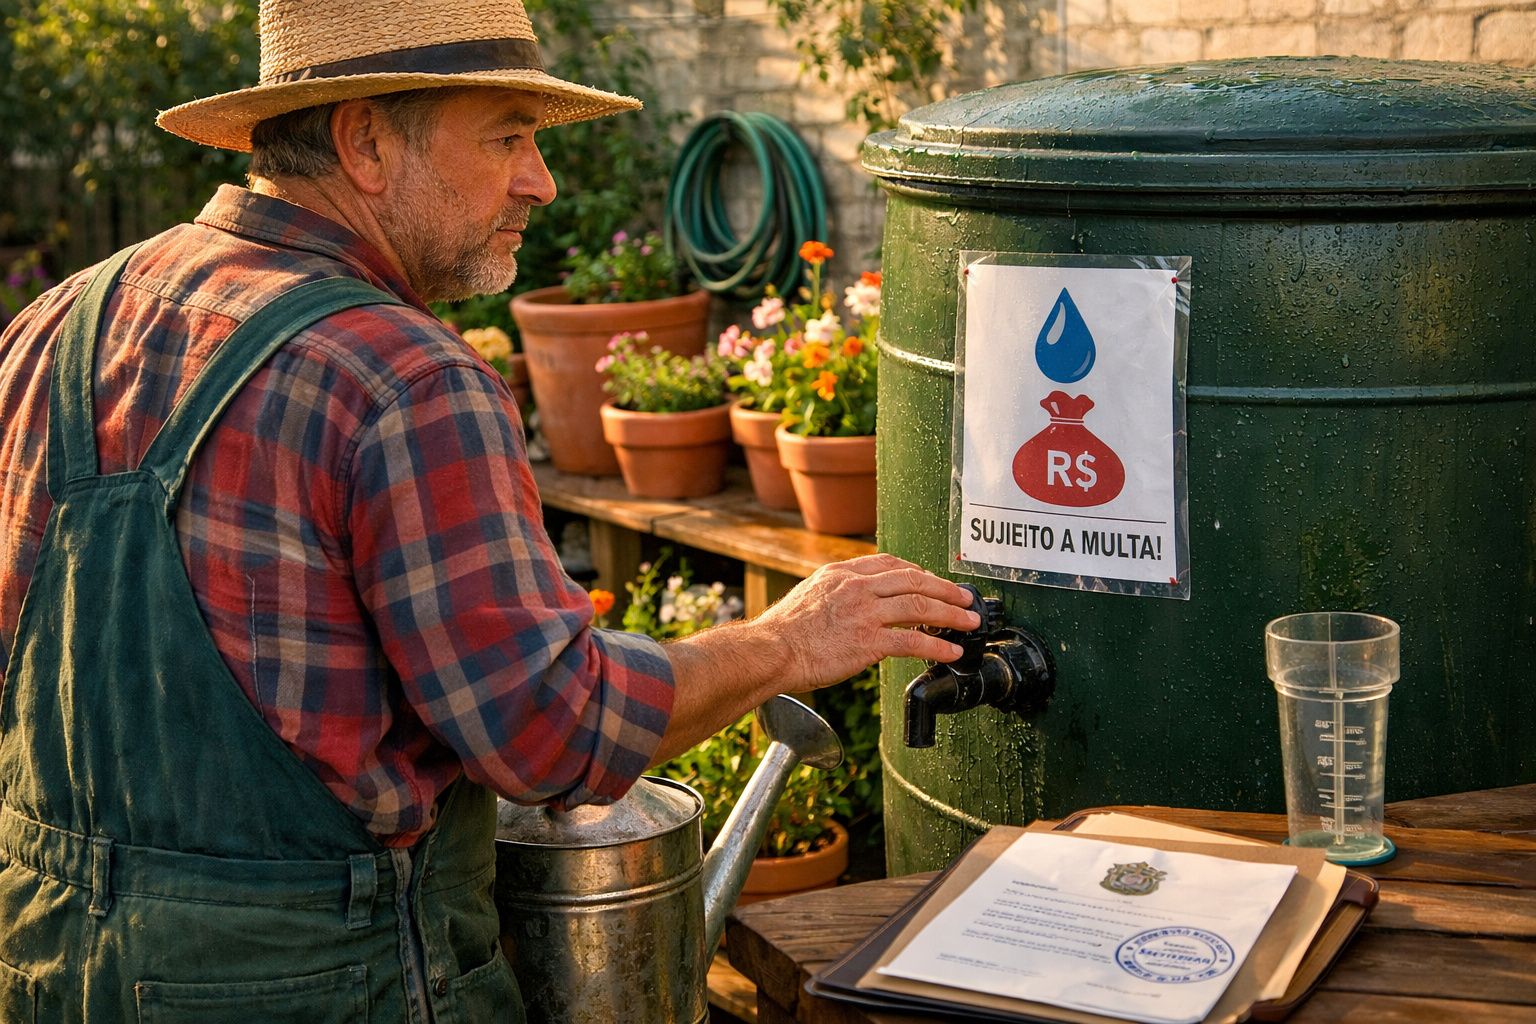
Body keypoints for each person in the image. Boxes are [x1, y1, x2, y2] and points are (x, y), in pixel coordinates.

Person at [0, 1, 978, 1019]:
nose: (541, 182)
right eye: (507, 135)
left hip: (43, 963)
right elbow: (551, 734)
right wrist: (784, 641)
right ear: (365, 140)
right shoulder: (405, 377)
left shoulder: (56, 325)